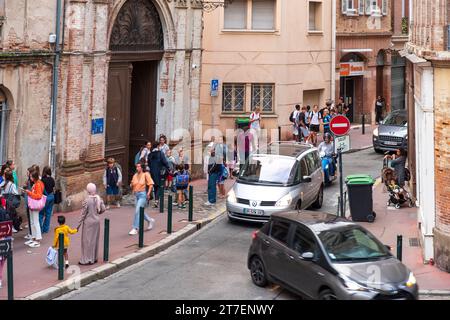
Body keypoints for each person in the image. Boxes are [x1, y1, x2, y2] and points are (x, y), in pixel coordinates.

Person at [78, 183, 106, 265]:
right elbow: (103, 209)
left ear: (88, 190)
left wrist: (78, 225)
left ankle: (87, 259)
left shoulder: (87, 200)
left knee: (87, 241)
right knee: (94, 240)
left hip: (88, 222)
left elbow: (83, 214)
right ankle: (94, 258)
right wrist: (98, 212)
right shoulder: (98, 199)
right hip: (96, 221)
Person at [129, 161, 155, 235]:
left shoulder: (146, 174)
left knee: (137, 211)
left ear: (142, 167)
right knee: (140, 211)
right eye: (137, 166)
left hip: (143, 195)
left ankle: (135, 228)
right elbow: (132, 183)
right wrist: (131, 185)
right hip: (136, 195)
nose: (137, 168)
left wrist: (148, 193)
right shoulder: (135, 175)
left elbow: (151, 184)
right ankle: (150, 220)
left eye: (139, 166)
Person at [24, 170, 44, 248]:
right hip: (32, 204)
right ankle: (33, 238)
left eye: (31, 176)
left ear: (34, 177)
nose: (30, 177)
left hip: (35, 205)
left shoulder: (38, 184)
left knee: (35, 222)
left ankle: (38, 240)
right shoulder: (36, 183)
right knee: (32, 222)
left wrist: (29, 192)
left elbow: (38, 196)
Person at [148, 141, 170, 208]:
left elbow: (149, 164)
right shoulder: (160, 153)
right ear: (158, 146)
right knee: (160, 186)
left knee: (155, 186)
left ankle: (156, 200)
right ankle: (157, 201)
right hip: (160, 173)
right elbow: (165, 162)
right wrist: (168, 168)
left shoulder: (150, 154)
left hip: (152, 173)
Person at [39, 166, 56, 234]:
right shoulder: (52, 179)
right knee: (48, 214)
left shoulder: (43, 180)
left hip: (45, 198)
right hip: (51, 197)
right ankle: (46, 229)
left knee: (41, 214)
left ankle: (40, 229)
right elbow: (53, 186)